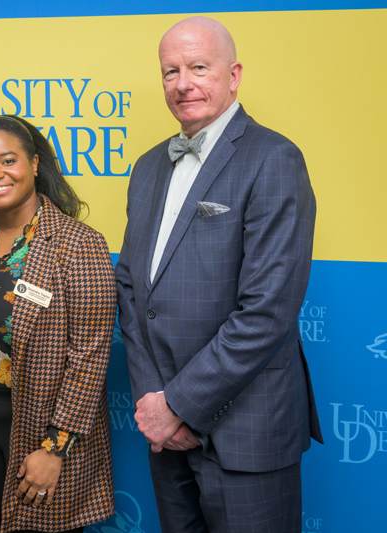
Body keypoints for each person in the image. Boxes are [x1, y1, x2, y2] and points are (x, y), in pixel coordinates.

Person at [114, 16, 323, 533]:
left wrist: (181, 405)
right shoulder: (146, 167)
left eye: (198, 67)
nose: (182, 83)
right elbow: (132, 288)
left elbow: (267, 310)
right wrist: (154, 402)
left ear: (233, 75)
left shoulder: (274, 158)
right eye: (170, 71)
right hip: (164, 429)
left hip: (245, 431)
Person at [0, 115, 116, 533]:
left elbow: (89, 357)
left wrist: (56, 447)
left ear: (34, 163)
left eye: (8, 160)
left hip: (41, 428)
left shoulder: (77, 243)